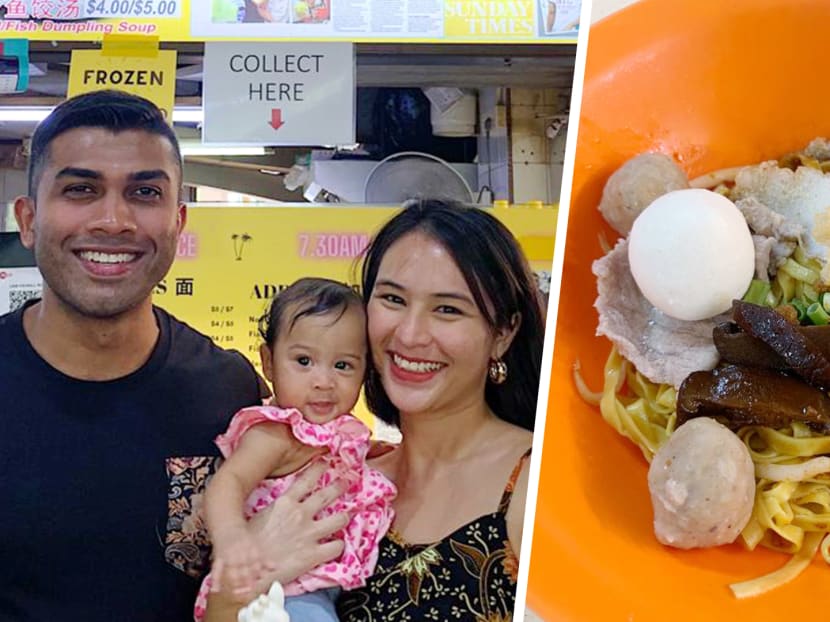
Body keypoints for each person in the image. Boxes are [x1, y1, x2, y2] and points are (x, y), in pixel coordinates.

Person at [0, 89, 346, 621]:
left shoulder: (232, 394)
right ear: (27, 220)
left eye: (143, 192)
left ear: (179, 223)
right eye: (80, 189)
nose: (113, 220)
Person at [206, 198, 544, 620]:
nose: (411, 334)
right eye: (393, 299)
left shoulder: (537, 483)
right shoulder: (339, 476)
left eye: (448, 309)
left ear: (503, 333)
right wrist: (244, 571)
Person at [194, 278, 396, 621]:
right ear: (269, 362)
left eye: (343, 365)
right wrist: (232, 538)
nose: (323, 381)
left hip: (315, 582)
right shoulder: (275, 432)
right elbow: (228, 482)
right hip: (280, 591)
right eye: (304, 361)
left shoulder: (334, 434)